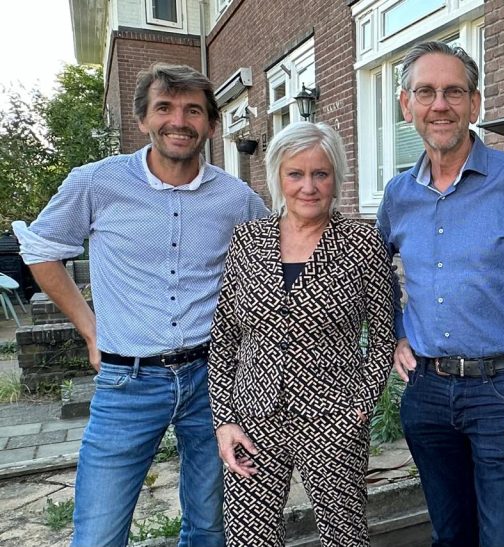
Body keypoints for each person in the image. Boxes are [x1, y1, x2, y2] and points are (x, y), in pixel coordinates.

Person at [13, 63, 269, 546]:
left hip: (213, 380)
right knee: (99, 533)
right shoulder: (96, 183)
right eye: (165, 108)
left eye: (193, 110)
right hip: (127, 381)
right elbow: (41, 249)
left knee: (211, 526)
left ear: (211, 124)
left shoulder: (236, 198)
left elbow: (266, 263)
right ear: (144, 120)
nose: (179, 120)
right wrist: (91, 330)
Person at [376, 41, 504, 546]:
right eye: (426, 92)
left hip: (502, 393)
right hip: (425, 392)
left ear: (475, 103)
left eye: (453, 92)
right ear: (407, 105)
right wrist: (394, 337)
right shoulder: (398, 194)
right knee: (449, 535)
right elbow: (374, 277)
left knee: (502, 539)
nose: (439, 104)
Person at [208, 121, 395, 546]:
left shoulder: (362, 244)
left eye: (320, 174)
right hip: (253, 418)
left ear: (336, 179)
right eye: (296, 174)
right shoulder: (248, 240)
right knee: (249, 538)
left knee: (345, 537)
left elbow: (383, 338)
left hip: (334, 418)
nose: (308, 186)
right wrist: (225, 421)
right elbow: (223, 340)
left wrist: (358, 409)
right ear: (278, 178)